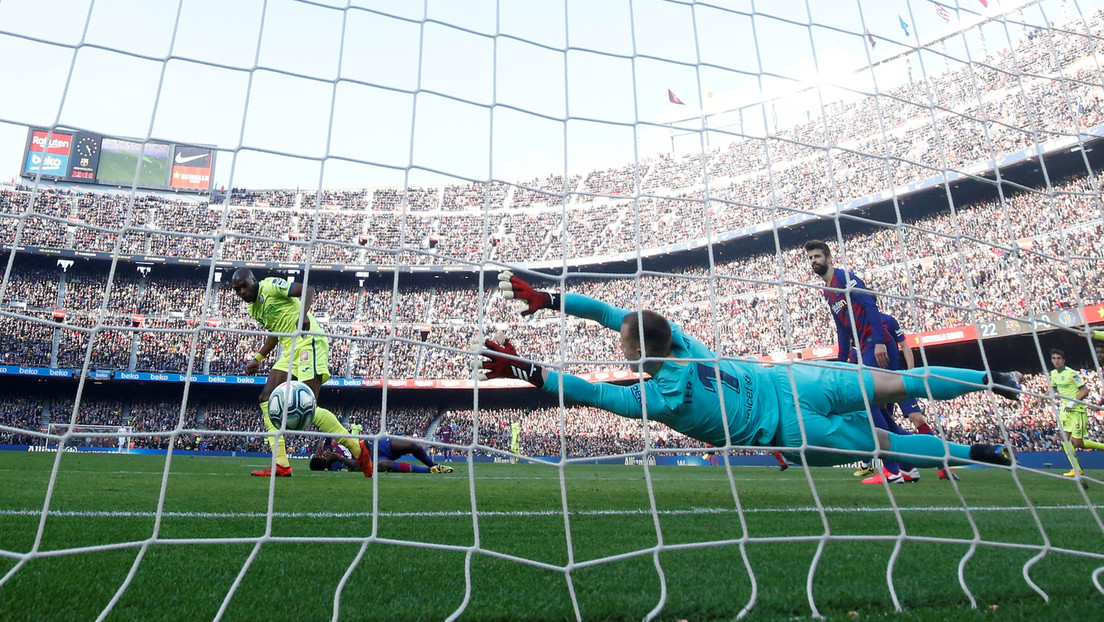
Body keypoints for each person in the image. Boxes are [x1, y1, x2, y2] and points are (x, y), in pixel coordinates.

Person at [478, 271, 1020, 471]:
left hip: (791, 432)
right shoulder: (681, 342)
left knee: (884, 446)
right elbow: (604, 313)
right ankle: (990, 380)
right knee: (897, 382)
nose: (616, 334)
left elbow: (591, 393)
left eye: (623, 340)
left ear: (635, 355)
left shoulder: (663, 403)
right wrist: (548, 299)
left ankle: (980, 455)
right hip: (788, 380)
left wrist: (530, 372)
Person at [231, 268, 372, 478]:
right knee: (266, 397)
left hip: (309, 341)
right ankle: (280, 464)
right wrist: (258, 358)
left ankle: (359, 450)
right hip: (290, 350)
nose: (242, 291)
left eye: (244, 285)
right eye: (237, 289)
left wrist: (303, 315)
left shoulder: (270, 286)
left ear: (254, 280)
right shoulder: (254, 309)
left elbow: (308, 289)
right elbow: (275, 332)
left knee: (309, 407)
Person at [804, 240, 912, 484]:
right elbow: (842, 330)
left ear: (828, 258)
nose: (814, 261)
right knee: (879, 411)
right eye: (810, 258)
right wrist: (841, 363)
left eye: (817, 256)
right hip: (862, 349)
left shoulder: (844, 278)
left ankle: (892, 470)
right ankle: (907, 465)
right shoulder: (828, 291)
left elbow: (869, 306)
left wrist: (880, 342)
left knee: (868, 404)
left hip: (875, 344)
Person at [1048, 348, 1104, 477]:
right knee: (1065, 439)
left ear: (1063, 360)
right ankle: (1076, 469)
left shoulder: (1072, 373)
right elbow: (1053, 389)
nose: (1056, 361)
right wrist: (1041, 397)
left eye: (1058, 358)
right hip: (1064, 411)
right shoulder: (1053, 374)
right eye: (1053, 358)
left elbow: (1085, 390)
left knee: (1078, 443)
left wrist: (1072, 402)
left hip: (1077, 410)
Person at [361, 437, 454, 474]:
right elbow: (355, 464)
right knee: (383, 464)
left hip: (380, 444)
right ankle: (430, 470)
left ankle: (434, 465)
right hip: (375, 459)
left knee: (412, 445)